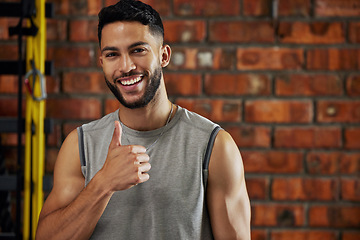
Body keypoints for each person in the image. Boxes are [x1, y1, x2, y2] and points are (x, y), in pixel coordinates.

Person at [36, 0, 251, 239]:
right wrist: (103, 184)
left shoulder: (214, 146)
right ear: (102, 63)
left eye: (138, 50)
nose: (126, 66)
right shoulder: (80, 146)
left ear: (164, 55)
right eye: (112, 54)